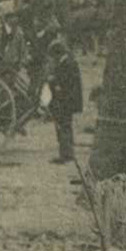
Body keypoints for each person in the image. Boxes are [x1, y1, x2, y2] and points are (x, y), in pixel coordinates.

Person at [47, 36, 83, 164]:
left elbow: (64, 83)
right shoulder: (69, 61)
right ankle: (67, 152)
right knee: (65, 125)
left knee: (64, 126)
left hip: (66, 100)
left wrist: (53, 81)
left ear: (57, 54)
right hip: (68, 99)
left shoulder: (67, 64)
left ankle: (66, 154)